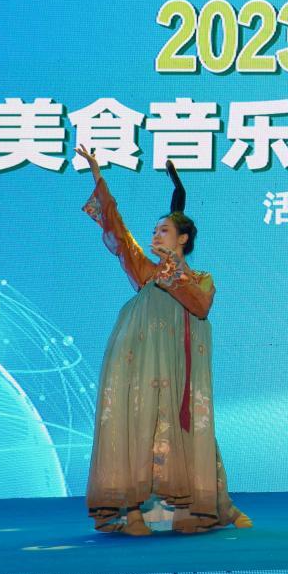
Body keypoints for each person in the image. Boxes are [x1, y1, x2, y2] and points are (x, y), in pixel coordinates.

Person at [78, 146, 250, 535]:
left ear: (183, 238)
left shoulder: (200, 278)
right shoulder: (146, 271)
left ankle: (192, 507)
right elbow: (116, 230)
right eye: (154, 230)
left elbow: (198, 304)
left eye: (164, 230)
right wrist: (97, 175)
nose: (155, 234)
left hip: (177, 371)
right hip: (138, 364)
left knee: (181, 426)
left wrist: (171, 263)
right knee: (135, 424)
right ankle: (130, 512)